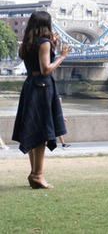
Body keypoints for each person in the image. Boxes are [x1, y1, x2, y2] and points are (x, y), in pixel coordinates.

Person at [12, 11, 69, 189]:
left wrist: (53, 44)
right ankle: (37, 175)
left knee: (33, 130)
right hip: (43, 88)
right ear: (47, 25)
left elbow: (35, 64)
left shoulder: (27, 44)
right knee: (42, 133)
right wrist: (61, 56)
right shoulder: (43, 43)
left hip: (30, 86)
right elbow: (45, 69)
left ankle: (33, 174)